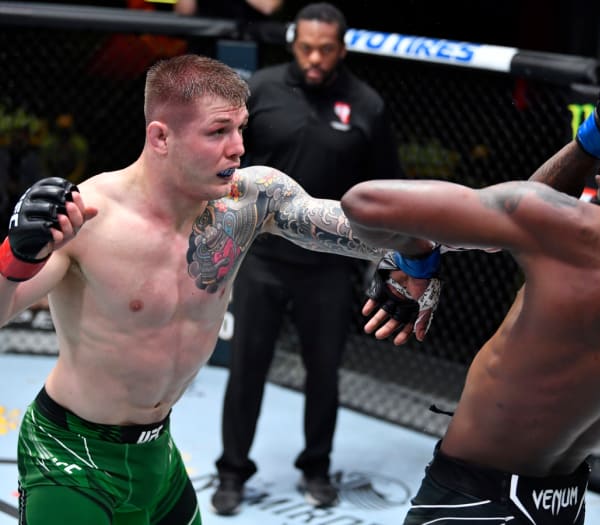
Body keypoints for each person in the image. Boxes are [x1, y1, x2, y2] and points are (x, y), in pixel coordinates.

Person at [0, 54, 440, 525]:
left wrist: (419, 253)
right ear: (161, 137)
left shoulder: (248, 201)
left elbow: (355, 226)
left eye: (241, 128)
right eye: (218, 132)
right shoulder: (89, 217)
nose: (238, 148)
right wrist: (15, 258)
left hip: (156, 453)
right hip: (71, 456)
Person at [340, 59, 600, 524]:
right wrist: (593, 139)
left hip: (474, 504)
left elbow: (364, 203)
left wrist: (418, 260)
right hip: (560, 504)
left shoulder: (575, 231)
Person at [209, 2, 406, 514]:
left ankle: (316, 468)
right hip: (262, 258)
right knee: (246, 367)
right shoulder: (262, 89)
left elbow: (387, 187)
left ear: (342, 49)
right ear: (293, 43)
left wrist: (388, 256)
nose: (315, 58)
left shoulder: (367, 105)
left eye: (325, 49)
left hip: (329, 266)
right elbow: (227, 160)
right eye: (306, 48)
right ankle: (232, 471)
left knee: (324, 372)